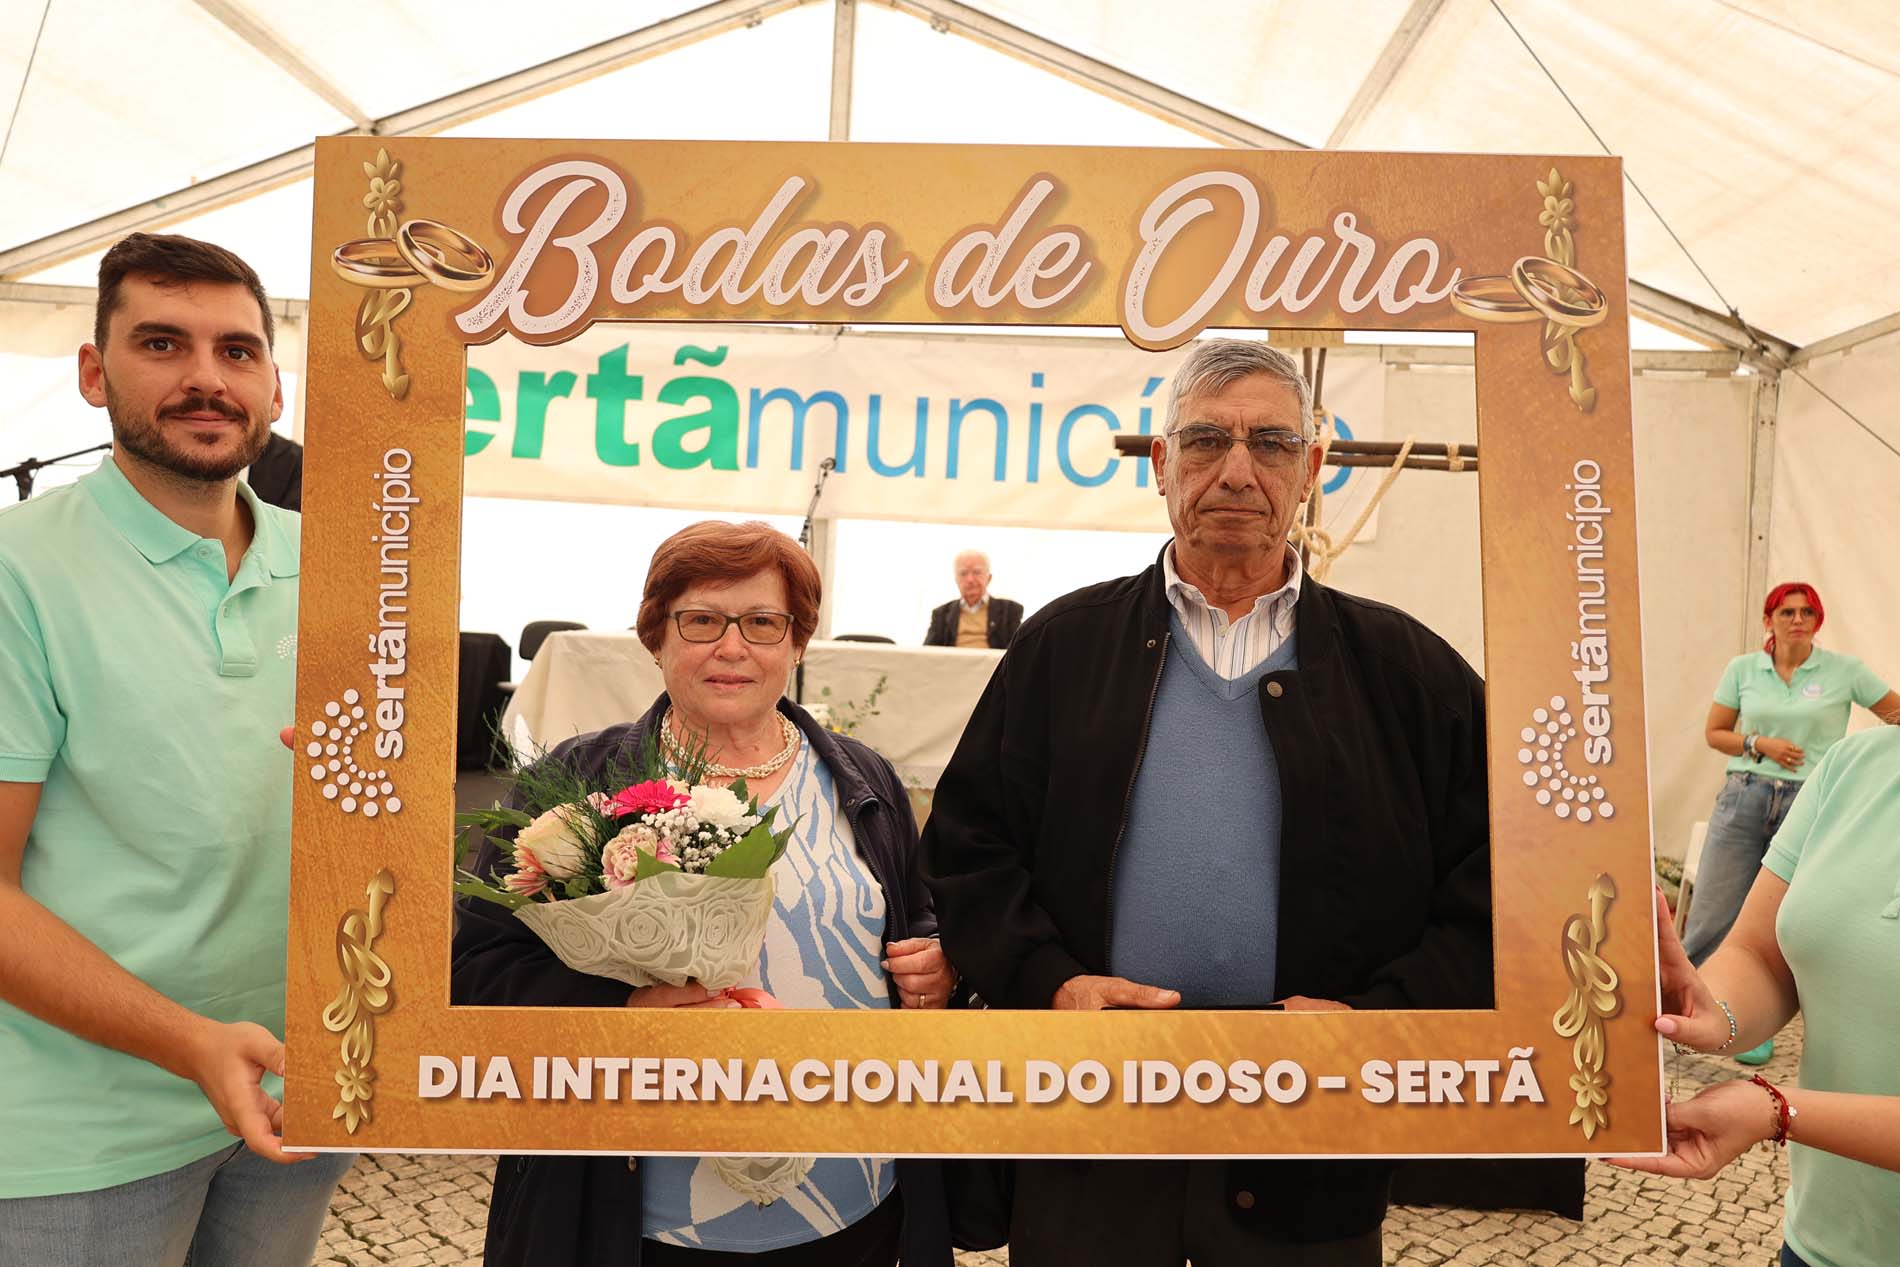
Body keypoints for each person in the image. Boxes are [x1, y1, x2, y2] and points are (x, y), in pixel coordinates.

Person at [921, 339, 1492, 1267]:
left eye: (1271, 443)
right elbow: (967, 847)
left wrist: (1379, 1018)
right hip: (1093, 1124)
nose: (1236, 470)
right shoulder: (1064, 647)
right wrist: (1050, 982)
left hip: (1308, 1139)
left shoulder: (1406, 670)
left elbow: (1502, 880)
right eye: (1204, 440)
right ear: (1160, 463)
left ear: (1311, 469)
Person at [453, 520, 960, 1267]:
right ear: (655, 637)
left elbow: (920, 920)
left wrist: (937, 968)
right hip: (638, 1218)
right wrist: (622, 1011)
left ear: (797, 643)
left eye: (762, 622)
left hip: (853, 1202)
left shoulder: (865, 779)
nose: (732, 646)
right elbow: (477, 969)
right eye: (701, 620)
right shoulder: (575, 783)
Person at [0, 233, 353, 1263]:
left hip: (300, 1091)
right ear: (93, 372)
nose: (207, 378)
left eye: (237, 351)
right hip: (82, 1129)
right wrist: (191, 1043)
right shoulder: (20, 571)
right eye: (162, 344)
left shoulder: (344, 565)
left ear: (276, 387)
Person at [1610, 724, 1900, 1267]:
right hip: (1819, 1241)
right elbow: (1763, 955)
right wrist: (1710, 1010)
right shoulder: (1854, 765)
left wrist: (1776, 1111)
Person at [1682, 581, 1897, 1064]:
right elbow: (1716, 733)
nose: (1797, 620)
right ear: (1768, 620)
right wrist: (1760, 744)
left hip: (1811, 802)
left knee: (1795, 916)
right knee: (1713, 910)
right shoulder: (1742, 669)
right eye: (1786, 612)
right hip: (1745, 795)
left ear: (1818, 621)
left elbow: (1895, 711)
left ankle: (1756, 1027)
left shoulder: (1845, 670)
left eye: (1807, 612)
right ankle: (1695, 1011)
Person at [923, 549, 1022, 648]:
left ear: (989, 577)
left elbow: (1018, 650)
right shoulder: (941, 614)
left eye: (977, 572)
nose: (970, 579)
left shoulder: (1009, 611)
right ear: (956, 580)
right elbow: (927, 652)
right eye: (963, 573)